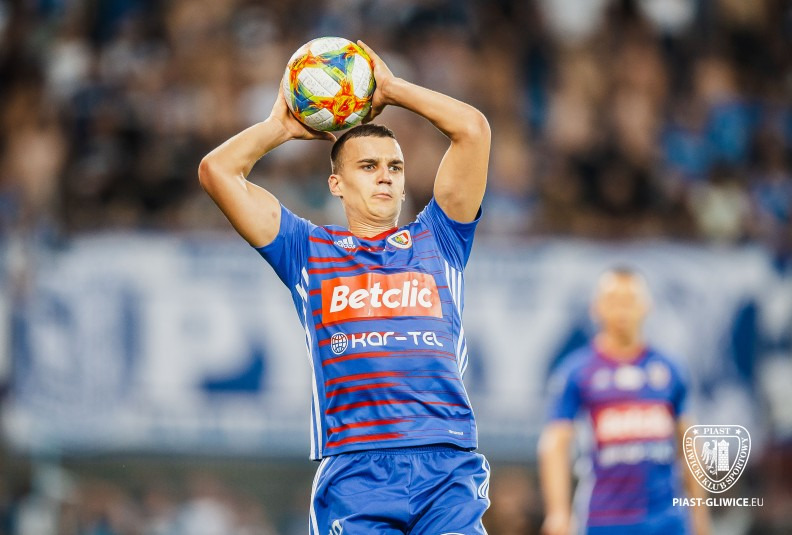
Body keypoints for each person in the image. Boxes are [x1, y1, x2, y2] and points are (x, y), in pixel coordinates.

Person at [198, 41, 491, 534]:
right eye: (368, 166)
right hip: (356, 470)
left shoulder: (440, 238)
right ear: (336, 184)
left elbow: (473, 130)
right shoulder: (307, 250)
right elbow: (217, 171)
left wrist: (393, 89)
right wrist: (279, 128)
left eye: (394, 167)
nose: (385, 178)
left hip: (446, 465)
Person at [538, 267, 711, 535]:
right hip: (604, 519)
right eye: (613, 301)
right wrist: (558, 513)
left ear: (647, 306)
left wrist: (700, 517)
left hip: (667, 519)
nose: (622, 310)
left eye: (629, 301)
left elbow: (689, 444)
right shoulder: (577, 371)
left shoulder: (670, 370)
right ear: (596, 308)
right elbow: (555, 444)